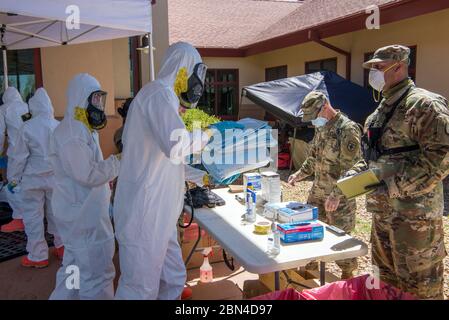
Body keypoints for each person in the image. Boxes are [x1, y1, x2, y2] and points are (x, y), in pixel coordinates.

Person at [333, 45, 448, 299]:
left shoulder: (423, 104)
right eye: (373, 67)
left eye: (379, 66)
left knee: (421, 289)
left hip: (415, 221)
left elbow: (441, 158)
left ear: (400, 66)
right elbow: (371, 159)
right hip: (382, 218)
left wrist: (393, 185)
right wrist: (351, 179)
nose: (374, 72)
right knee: (387, 287)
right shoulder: (378, 113)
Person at [114, 42, 209, 300]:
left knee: (173, 277)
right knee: (139, 288)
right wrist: (205, 136)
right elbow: (176, 146)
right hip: (145, 213)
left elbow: (166, 160)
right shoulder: (158, 95)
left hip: (160, 212)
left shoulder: (160, 96)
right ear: (183, 70)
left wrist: (199, 176)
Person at [49, 73, 120, 300]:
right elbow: (87, 174)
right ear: (81, 98)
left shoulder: (79, 128)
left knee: (73, 271)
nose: (98, 105)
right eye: (95, 100)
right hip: (84, 220)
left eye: (101, 100)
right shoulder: (72, 133)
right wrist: (118, 162)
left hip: (78, 218)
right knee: (96, 277)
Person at [288, 91, 362, 279]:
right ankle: (307, 276)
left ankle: (348, 280)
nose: (313, 121)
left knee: (340, 243)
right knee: (310, 233)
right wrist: (299, 174)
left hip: (338, 199)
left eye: (315, 116)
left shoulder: (347, 130)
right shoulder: (321, 128)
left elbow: (353, 169)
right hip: (317, 194)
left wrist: (337, 193)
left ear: (325, 107)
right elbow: (314, 158)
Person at [7, 88, 63, 268]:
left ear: (33, 106)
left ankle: (38, 256)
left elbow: (19, 157)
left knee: (33, 216)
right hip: (54, 178)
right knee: (58, 213)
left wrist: (13, 179)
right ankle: (62, 247)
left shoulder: (27, 127)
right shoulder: (57, 125)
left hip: (32, 180)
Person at [0, 87, 28, 232]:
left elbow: (0, 132)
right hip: (31, 153)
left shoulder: (4, 109)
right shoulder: (27, 108)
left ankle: (19, 218)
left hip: (16, 154)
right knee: (28, 184)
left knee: (13, 184)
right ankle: (31, 215)